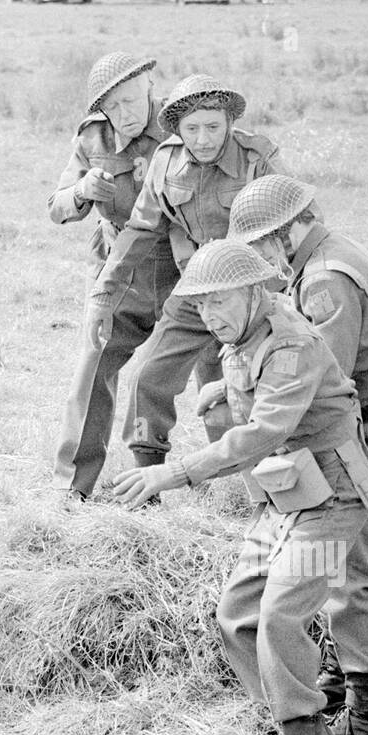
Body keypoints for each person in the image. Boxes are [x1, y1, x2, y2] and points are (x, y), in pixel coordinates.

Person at [112, 241, 368, 735]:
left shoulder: (290, 345)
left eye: (222, 303)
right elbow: (248, 386)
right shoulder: (245, 334)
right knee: (237, 613)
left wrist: (174, 473)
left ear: (255, 292)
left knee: (281, 613)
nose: (212, 318)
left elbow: (261, 433)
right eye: (202, 307)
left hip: (332, 499)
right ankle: (304, 731)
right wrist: (220, 390)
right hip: (288, 495)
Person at [226, 175, 368, 735]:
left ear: (295, 226)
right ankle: (339, 688)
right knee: (334, 568)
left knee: (352, 576)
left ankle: (364, 725)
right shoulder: (320, 256)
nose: (265, 259)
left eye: (268, 243)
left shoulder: (324, 282)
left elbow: (323, 381)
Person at [86, 75, 284, 472]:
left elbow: (294, 220)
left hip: (256, 295)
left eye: (213, 126)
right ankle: (146, 479)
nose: (204, 139)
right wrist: (104, 292)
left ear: (230, 122)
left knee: (262, 384)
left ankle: (268, 478)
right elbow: (141, 229)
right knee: (148, 377)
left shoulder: (257, 158)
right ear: (176, 129)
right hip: (197, 290)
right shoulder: (166, 160)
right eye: (192, 129)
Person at [48, 52, 179, 500]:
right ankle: (74, 489)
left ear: (149, 84)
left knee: (216, 374)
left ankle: (242, 484)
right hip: (117, 274)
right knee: (94, 369)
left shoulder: (184, 123)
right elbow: (57, 205)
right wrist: (83, 191)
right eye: (112, 107)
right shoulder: (93, 138)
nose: (123, 116)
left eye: (130, 101)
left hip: (181, 264)